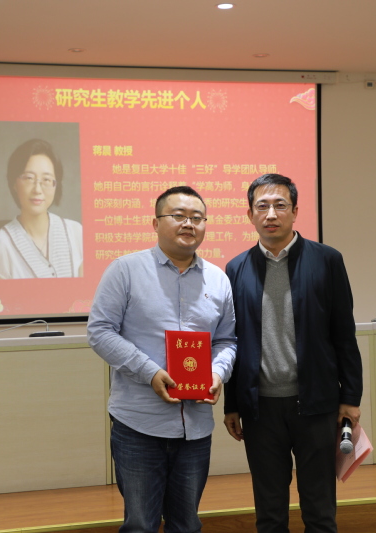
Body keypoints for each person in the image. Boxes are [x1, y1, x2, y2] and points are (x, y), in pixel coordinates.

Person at [87, 186, 237, 533]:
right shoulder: (125, 270)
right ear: (155, 223)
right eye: (178, 216)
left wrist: (217, 373)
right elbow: (100, 331)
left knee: (187, 524)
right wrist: (149, 371)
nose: (189, 224)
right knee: (140, 525)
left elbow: (227, 340)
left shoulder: (218, 279)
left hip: (195, 427)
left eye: (197, 218)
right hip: (138, 424)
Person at [223, 174, 362, 533]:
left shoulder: (327, 260)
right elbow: (234, 340)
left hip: (315, 405)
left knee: (319, 509)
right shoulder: (236, 268)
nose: (271, 214)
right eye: (262, 206)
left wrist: (350, 397)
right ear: (250, 215)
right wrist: (232, 404)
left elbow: (344, 334)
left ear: (295, 211)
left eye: (280, 205)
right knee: (269, 512)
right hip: (260, 409)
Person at [0, 138, 83, 279]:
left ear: (56, 185)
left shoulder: (76, 233)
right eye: (29, 178)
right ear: (14, 183)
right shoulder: (0, 245)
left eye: (46, 180)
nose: (37, 189)